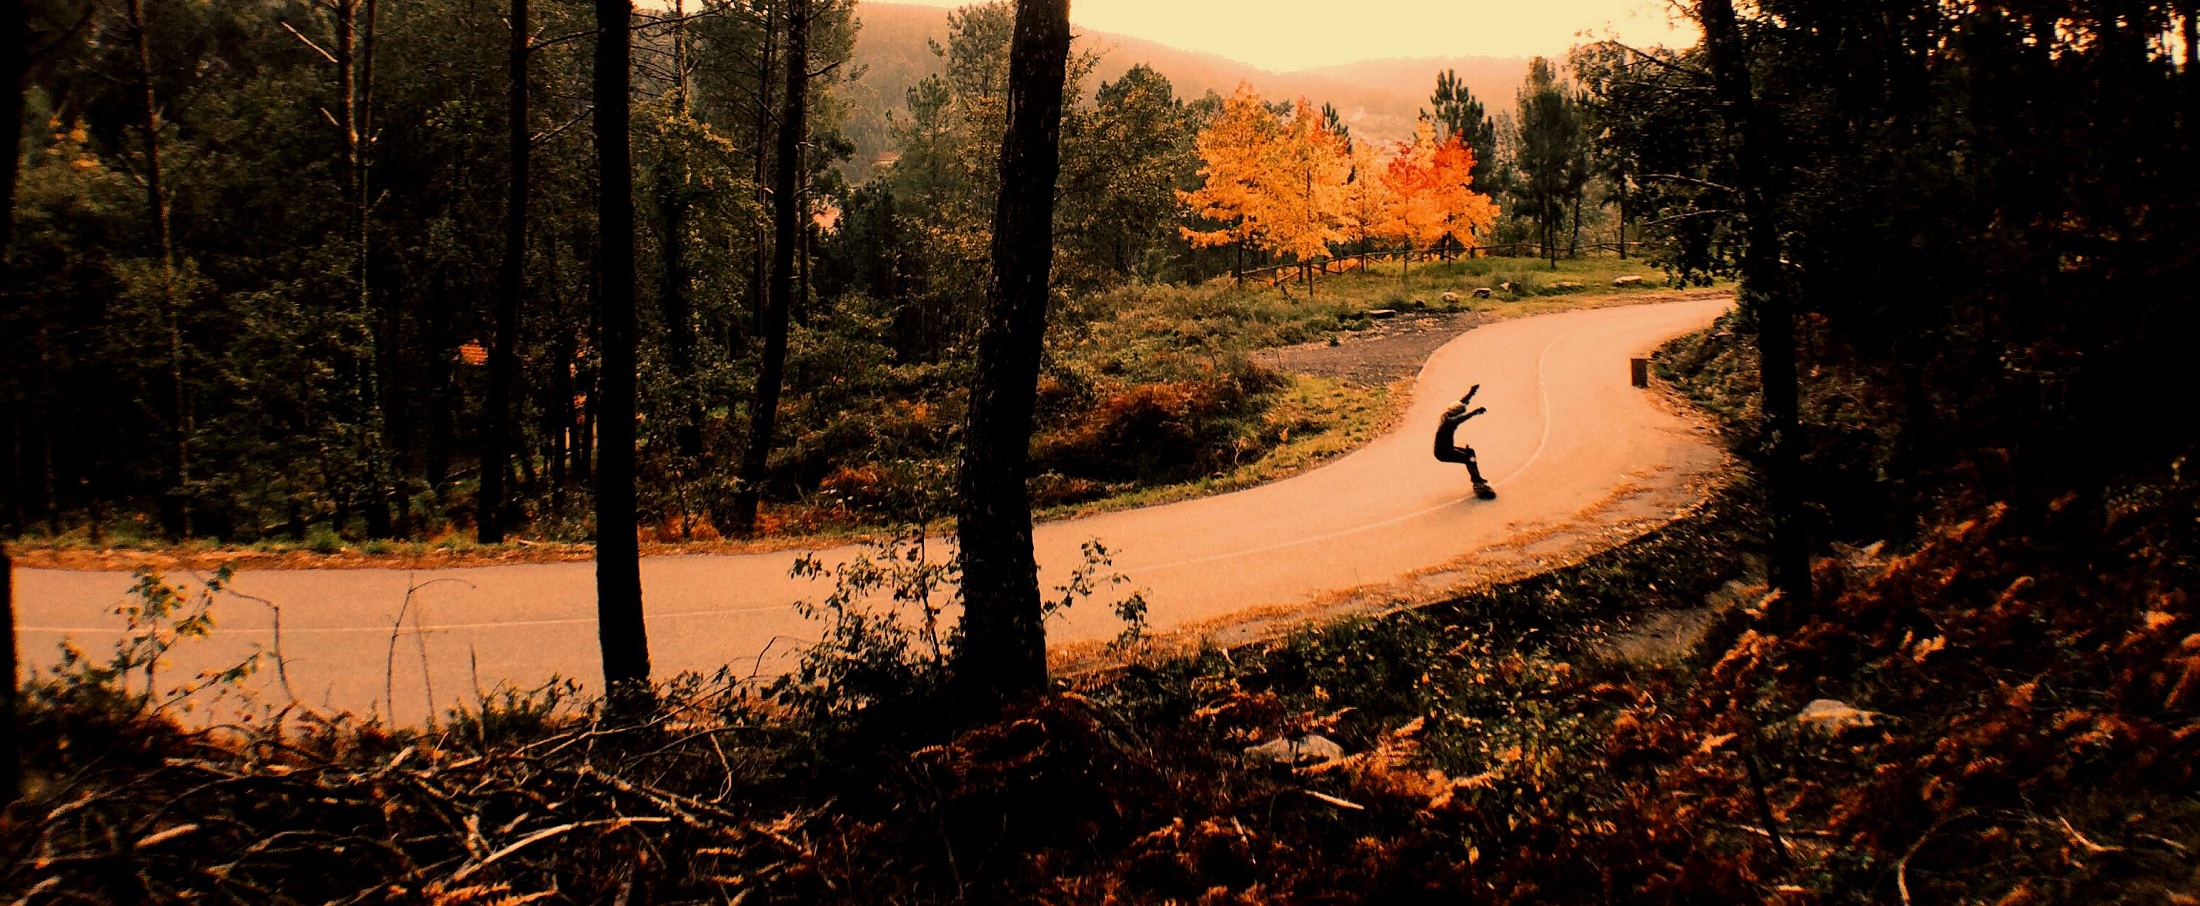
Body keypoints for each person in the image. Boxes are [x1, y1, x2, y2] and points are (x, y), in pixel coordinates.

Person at [1434, 384, 1496, 500]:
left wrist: (1471, 393)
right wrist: (1476, 412)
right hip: (1444, 453)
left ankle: (1477, 479)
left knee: (1470, 452)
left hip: (1446, 449)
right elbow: (1462, 418)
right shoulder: (1450, 422)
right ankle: (1478, 483)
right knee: (1469, 459)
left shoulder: (1447, 414)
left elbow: (1461, 403)